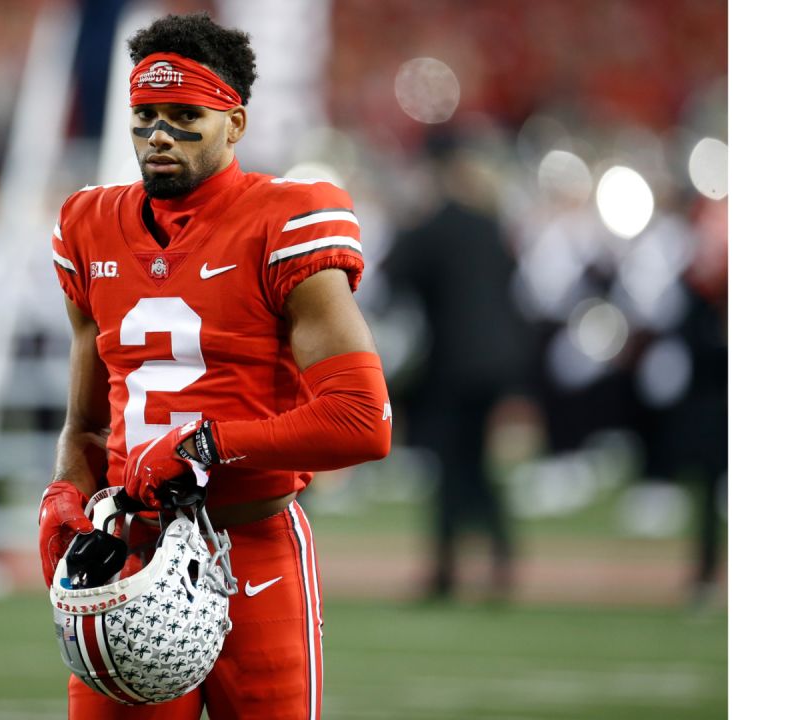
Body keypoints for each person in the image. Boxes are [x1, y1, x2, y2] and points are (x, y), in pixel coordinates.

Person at [36, 13, 392, 719]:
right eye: (145, 115)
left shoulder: (286, 220)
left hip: (251, 548)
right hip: (131, 551)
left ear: (235, 123)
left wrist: (207, 444)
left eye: (183, 115)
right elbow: (87, 426)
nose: (159, 134)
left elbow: (363, 421)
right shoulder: (87, 226)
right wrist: (64, 492)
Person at [380, 129, 536, 602]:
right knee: (473, 464)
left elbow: (389, 276)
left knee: (450, 465)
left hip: (450, 364)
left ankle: (447, 571)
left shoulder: (433, 224)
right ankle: (501, 557)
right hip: (498, 361)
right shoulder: (489, 223)